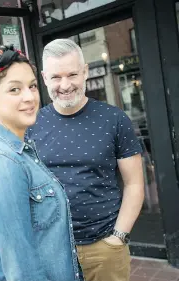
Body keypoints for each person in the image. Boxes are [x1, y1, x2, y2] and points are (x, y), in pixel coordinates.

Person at [27, 39, 144, 281]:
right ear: (44, 77)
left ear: (86, 72)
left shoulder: (114, 119)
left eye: (72, 74)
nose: (65, 85)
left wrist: (118, 238)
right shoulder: (31, 125)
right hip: (51, 249)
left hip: (105, 247)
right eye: (56, 77)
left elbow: (134, 184)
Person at [0, 45, 83, 281]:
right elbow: (22, 272)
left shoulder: (20, 149)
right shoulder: (0, 161)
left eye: (32, 86)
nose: (30, 97)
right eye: (14, 89)